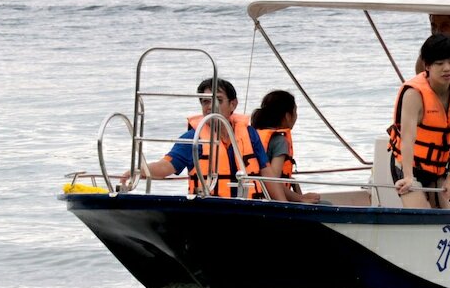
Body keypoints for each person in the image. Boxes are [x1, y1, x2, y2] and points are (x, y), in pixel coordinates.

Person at [120, 78, 285, 200]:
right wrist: (138, 171)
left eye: (218, 100)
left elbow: (266, 172)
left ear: (233, 104)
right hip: (211, 209)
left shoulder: (249, 134)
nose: (210, 106)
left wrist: (282, 206)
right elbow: (166, 167)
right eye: (206, 102)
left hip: (248, 209)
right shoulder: (193, 139)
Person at [388, 34, 450, 208]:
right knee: (420, 215)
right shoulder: (414, 95)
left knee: (444, 218)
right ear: (427, 65)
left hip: (438, 167)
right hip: (408, 165)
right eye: (439, 63)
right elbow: (407, 138)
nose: (447, 69)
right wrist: (408, 177)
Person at [250, 90, 321, 204]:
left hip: (254, 195)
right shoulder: (280, 141)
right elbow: (273, 182)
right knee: (326, 204)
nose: (296, 116)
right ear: (288, 116)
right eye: (295, 112)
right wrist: (300, 198)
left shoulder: (252, 135)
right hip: (270, 200)